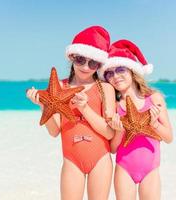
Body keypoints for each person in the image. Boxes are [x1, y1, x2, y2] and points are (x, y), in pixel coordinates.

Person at [26, 26, 116, 200]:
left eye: (93, 63)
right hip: (71, 160)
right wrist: (42, 106)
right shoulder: (59, 87)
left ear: (99, 65)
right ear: (72, 57)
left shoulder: (105, 88)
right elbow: (54, 131)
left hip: (101, 160)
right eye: (81, 59)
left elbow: (109, 132)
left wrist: (85, 109)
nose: (85, 67)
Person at [98, 39, 173, 200]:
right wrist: (118, 131)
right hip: (124, 169)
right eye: (109, 73)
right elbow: (112, 149)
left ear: (132, 71)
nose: (115, 76)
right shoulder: (114, 106)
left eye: (120, 70)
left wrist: (154, 124)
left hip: (151, 170)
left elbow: (168, 137)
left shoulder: (153, 98)